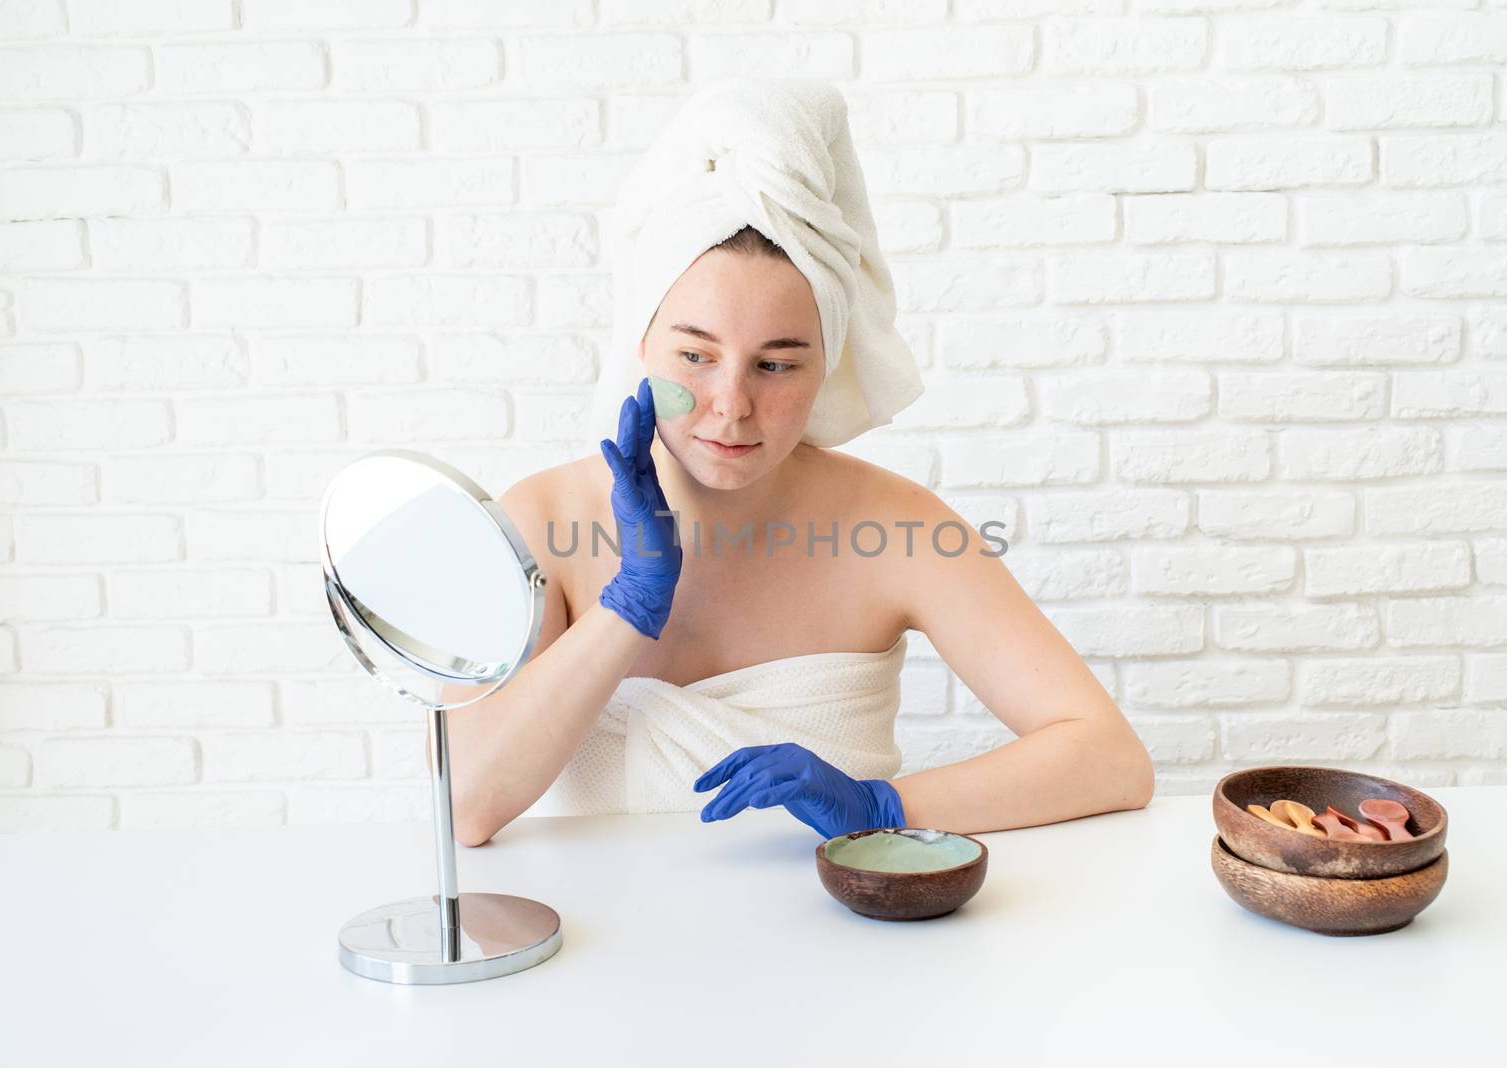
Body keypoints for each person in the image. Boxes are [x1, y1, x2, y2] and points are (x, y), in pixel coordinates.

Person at [446, 81, 1153, 847]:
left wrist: (884, 807)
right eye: (695, 356)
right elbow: (465, 807)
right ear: (640, 347)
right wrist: (624, 608)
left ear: (827, 368)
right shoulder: (542, 523)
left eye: (776, 366)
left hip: (843, 946)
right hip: (599, 949)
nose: (731, 404)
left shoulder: (900, 528)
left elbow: (1110, 760)